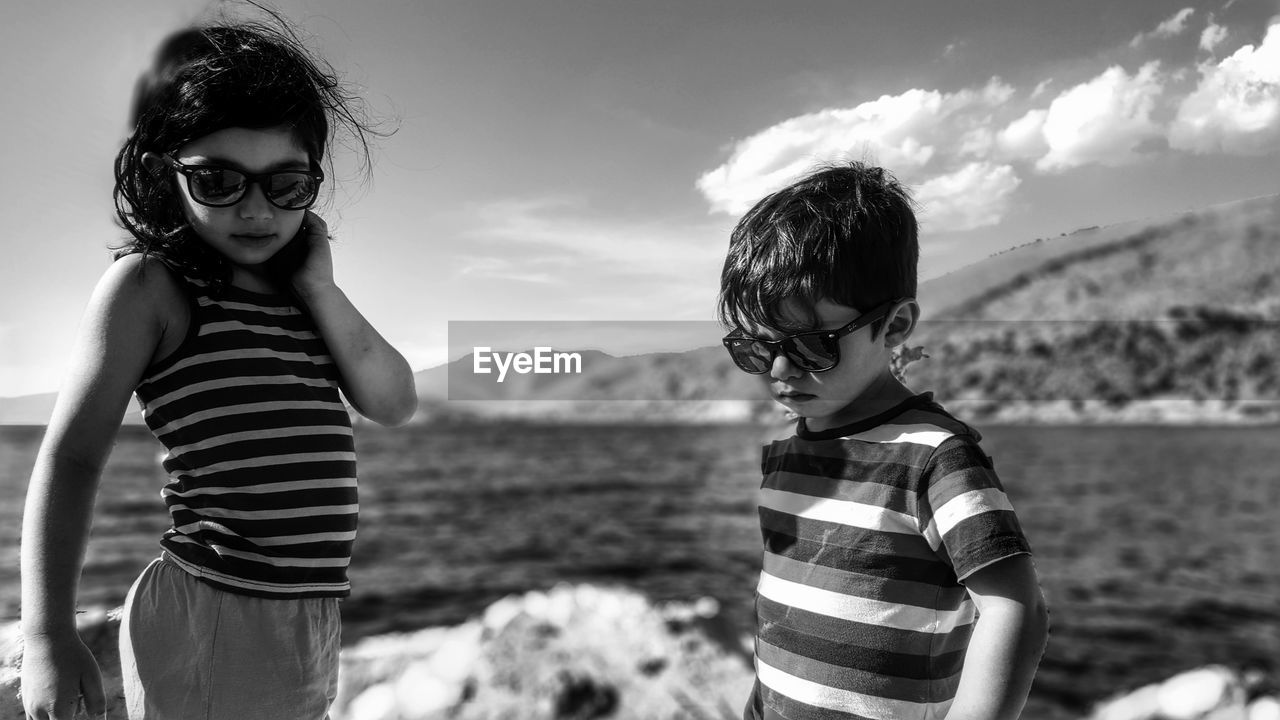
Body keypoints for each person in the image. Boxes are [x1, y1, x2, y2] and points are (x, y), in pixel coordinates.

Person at [20, 9, 416, 720]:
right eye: (218, 181)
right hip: (213, 611)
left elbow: (395, 400)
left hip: (308, 617)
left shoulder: (303, 294)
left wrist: (321, 287)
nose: (257, 210)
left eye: (287, 185)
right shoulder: (153, 285)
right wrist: (48, 634)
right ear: (160, 172)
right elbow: (73, 456)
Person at [718, 162, 1049, 720]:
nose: (779, 369)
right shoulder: (786, 457)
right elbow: (786, 615)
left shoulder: (934, 459)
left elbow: (1016, 610)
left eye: (811, 346)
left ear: (894, 327)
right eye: (756, 348)